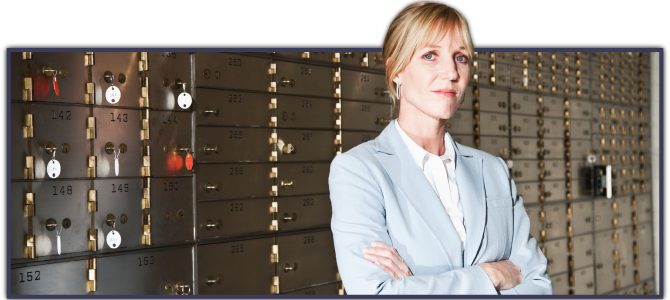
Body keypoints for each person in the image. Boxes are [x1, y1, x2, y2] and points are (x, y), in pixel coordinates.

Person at [328, 2, 552, 294]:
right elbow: (377, 292)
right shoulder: (359, 170)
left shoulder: (493, 170)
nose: (451, 72)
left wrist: (415, 286)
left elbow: (539, 285)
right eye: (430, 55)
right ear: (396, 69)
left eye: (460, 57)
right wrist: (491, 276)